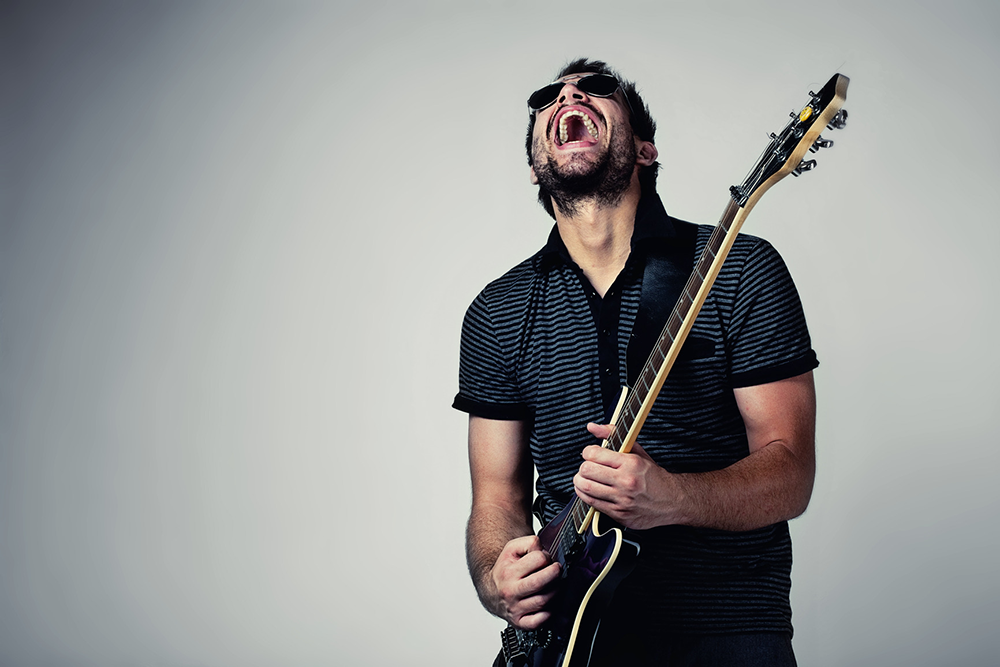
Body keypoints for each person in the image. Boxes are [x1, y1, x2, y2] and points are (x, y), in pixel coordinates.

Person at [453, 58, 818, 666]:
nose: (568, 96)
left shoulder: (737, 269)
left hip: (725, 633)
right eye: (549, 96)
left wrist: (675, 496)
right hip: (565, 644)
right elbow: (495, 499)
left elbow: (792, 472)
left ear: (645, 150)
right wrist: (497, 578)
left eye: (598, 90)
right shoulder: (498, 311)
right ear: (536, 164)